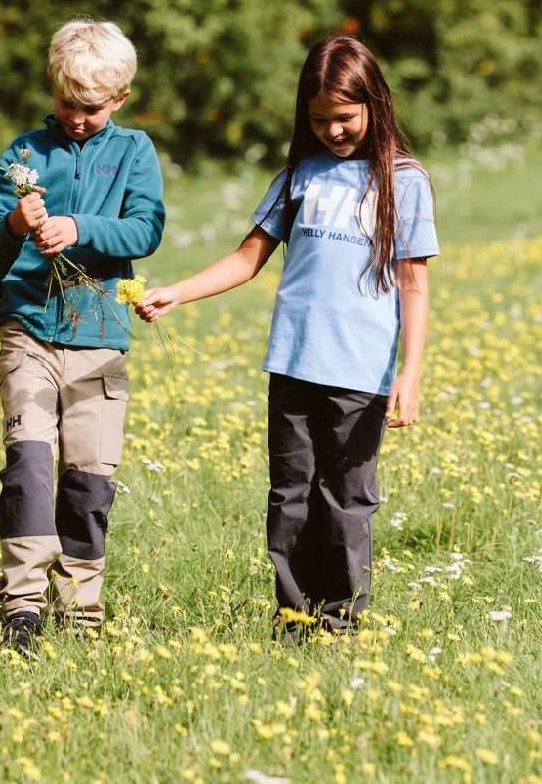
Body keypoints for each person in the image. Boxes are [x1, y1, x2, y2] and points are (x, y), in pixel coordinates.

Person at [136, 35, 437, 637]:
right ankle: (295, 618)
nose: (332, 130)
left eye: (344, 117)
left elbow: (413, 285)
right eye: (319, 118)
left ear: (375, 103)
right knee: (291, 494)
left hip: (360, 372)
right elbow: (248, 258)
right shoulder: (299, 175)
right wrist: (178, 291)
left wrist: (411, 371)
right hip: (294, 364)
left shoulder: (404, 182)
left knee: (346, 500)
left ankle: (340, 621)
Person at [0, 18, 165, 655]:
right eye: (67, 104)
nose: (78, 118)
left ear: (120, 99)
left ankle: (80, 602)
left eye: (91, 108)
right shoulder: (23, 154)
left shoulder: (135, 151)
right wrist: (12, 223)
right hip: (27, 329)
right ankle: (21, 602)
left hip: (100, 334)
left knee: (89, 474)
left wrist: (78, 226)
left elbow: (145, 231)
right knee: (29, 466)